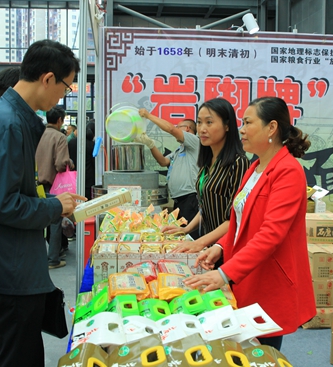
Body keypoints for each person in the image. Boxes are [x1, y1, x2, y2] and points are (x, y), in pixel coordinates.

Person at [0, 39, 83, 367]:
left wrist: (54, 200)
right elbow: (3, 204)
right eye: (66, 86)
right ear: (48, 78)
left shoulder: (9, 117)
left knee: (3, 345)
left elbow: (7, 192)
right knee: (14, 352)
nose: (62, 96)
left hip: (7, 259)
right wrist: (56, 208)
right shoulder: (8, 123)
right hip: (8, 264)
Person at [183, 97, 316, 351]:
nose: (241, 129)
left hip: (268, 279)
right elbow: (239, 221)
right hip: (245, 275)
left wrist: (224, 273)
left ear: (272, 128)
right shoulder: (254, 167)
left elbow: (270, 234)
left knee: (263, 350)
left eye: (247, 122)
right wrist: (221, 247)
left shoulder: (287, 171)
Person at [165, 98, 249, 251]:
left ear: (227, 126)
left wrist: (200, 242)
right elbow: (206, 206)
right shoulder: (207, 162)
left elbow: (235, 218)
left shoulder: (238, 163)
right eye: (199, 122)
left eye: (209, 122)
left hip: (227, 248)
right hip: (208, 247)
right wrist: (186, 229)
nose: (202, 129)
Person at [135, 109, 200, 235]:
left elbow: (171, 129)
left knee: (189, 237)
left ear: (187, 129)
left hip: (191, 199)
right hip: (179, 200)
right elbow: (163, 162)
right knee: (178, 235)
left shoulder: (194, 142)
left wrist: (148, 116)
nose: (176, 128)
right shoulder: (179, 150)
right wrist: (151, 144)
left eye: (178, 127)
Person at [36, 105, 74, 269]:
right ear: (60, 120)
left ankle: (40, 256)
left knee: (39, 221)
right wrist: (70, 163)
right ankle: (53, 259)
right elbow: (60, 163)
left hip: (37, 184)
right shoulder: (59, 137)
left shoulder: (38, 134)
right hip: (54, 186)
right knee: (56, 222)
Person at [68, 121, 96, 200]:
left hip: (73, 178)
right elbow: (94, 163)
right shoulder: (92, 144)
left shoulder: (72, 142)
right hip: (89, 180)